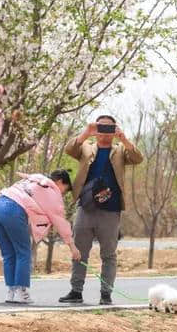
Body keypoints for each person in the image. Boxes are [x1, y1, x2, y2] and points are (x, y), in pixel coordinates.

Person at [59, 115, 143, 304]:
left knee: (109, 254)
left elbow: (138, 158)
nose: (105, 131)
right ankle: (76, 291)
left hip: (111, 210)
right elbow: (69, 149)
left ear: (115, 129)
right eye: (101, 127)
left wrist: (123, 138)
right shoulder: (87, 146)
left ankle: (106, 294)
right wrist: (86, 132)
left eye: (109, 127)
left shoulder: (120, 150)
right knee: (79, 251)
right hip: (86, 208)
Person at [0, 169, 81, 304]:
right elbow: (60, 222)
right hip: (12, 209)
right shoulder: (51, 191)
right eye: (65, 189)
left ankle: (11, 292)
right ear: (60, 182)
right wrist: (72, 247)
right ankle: (22, 292)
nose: (63, 193)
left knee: (9, 253)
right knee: (23, 252)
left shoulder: (33, 180)